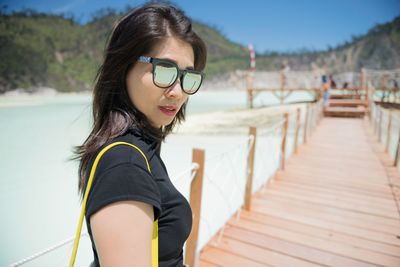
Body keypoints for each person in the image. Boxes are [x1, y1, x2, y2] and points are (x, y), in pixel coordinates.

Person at [73, 2, 207, 266]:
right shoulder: (124, 166)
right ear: (123, 68)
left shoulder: (142, 147)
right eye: (165, 70)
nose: (178, 92)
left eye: (187, 76)